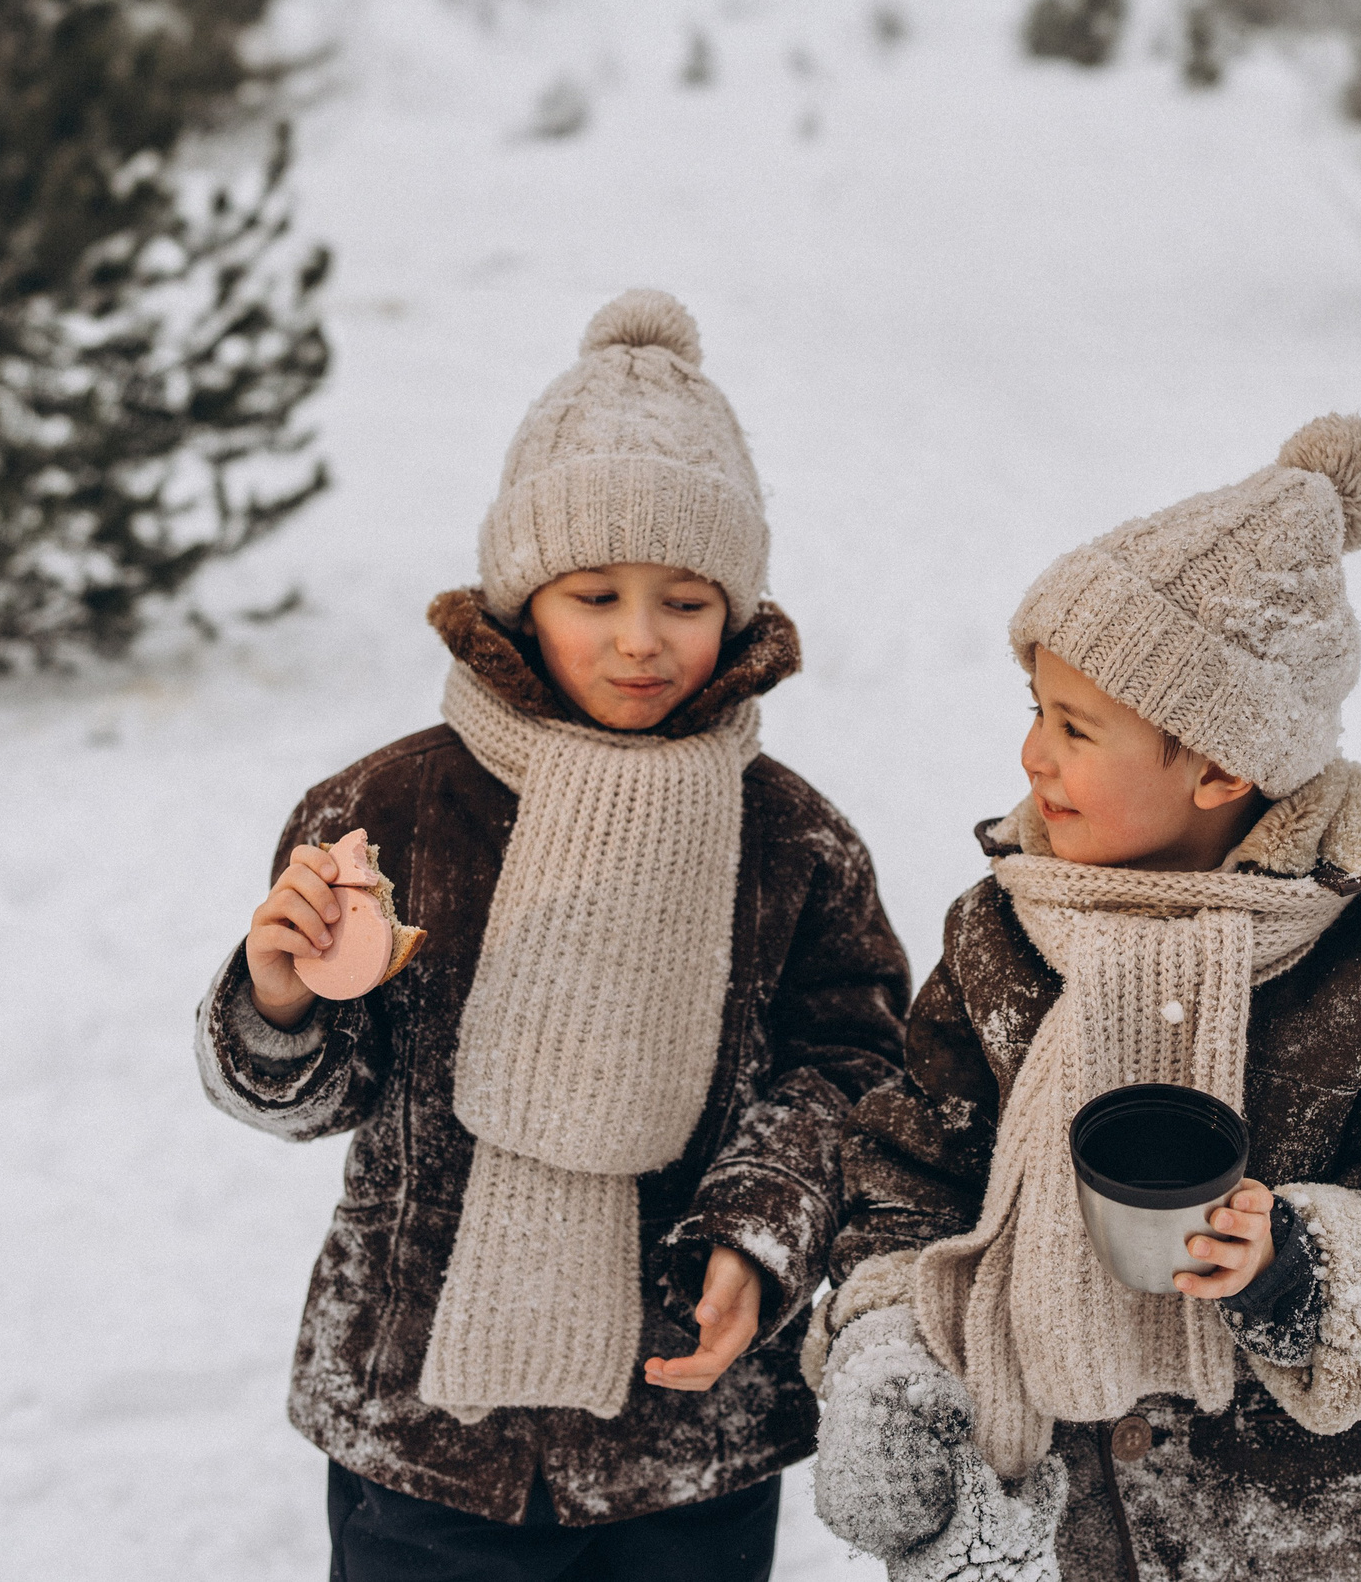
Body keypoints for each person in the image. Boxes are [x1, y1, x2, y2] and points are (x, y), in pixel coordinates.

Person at [196, 290, 908, 1582]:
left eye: (684, 599)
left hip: (683, 1420)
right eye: (595, 593)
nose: (640, 639)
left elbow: (855, 1068)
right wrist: (279, 999)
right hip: (424, 1424)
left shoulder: (791, 840)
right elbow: (307, 1096)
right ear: (526, 598)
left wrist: (761, 1230)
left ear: (735, 610)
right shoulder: (391, 808)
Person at [807, 416, 1361, 1581]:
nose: (1033, 754)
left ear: (1217, 764)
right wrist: (891, 1340)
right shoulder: (1003, 930)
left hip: (1295, 1523)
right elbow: (908, 1159)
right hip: (1059, 1506)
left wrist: (1296, 1262)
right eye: (1035, 708)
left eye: (1076, 726)